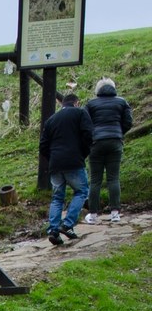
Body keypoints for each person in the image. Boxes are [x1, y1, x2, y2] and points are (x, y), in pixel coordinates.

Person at [39, 93, 92, 245]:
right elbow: (88, 135)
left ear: (62, 104)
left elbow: (43, 145)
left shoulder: (51, 120)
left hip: (55, 164)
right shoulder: (81, 113)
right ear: (76, 103)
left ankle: (53, 230)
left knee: (57, 198)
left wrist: (53, 158)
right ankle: (67, 224)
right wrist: (83, 153)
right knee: (81, 192)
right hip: (74, 161)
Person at [83, 77, 134, 223]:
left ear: (97, 90)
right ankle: (115, 214)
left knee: (95, 180)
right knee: (113, 178)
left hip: (96, 143)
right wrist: (118, 133)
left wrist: (92, 137)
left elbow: (85, 124)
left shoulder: (91, 104)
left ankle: (93, 215)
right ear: (113, 87)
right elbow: (128, 122)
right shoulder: (121, 102)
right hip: (115, 142)